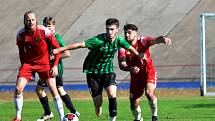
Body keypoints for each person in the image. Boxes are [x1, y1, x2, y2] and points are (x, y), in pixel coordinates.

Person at [53, 18, 144, 121]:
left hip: (108, 72)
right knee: (97, 103)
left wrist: (139, 56)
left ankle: (112, 119)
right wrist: (59, 49)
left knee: (112, 94)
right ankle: (98, 107)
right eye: (107, 29)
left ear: (117, 30)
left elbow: (130, 48)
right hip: (93, 72)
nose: (109, 32)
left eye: (112, 29)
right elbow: (79, 45)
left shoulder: (119, 40)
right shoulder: (98, 40)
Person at [12, 11, 64, 121]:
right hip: (28, 64)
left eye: (33, 19)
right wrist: (24, 68)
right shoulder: (20, 35)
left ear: (36, 20)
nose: (31, 22)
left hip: (44, 64)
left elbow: (58, 50)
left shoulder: (44, 31)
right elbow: (22, 52)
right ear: (24, 21)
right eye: (28, 20)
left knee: (54, 90)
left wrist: (54, 66)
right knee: (18, 88)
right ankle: (18, 117)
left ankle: (62, 117)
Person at [118, 24, 171, 121]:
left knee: (149, 93)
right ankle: (138, 119)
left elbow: (155, 40)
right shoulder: (122, 47)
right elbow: (122, 64)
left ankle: (154, 117)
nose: (126, 35)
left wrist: (163, 39)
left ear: (135, 34)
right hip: (135, 77)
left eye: (129, 32)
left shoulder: (142, 41)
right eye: (125, 33)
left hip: (148, 72)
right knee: (133, 103)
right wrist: (130, 68)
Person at [35, 16, 80, 121]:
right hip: (47, 69)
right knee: (59, 90)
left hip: (54, 70)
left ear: (54, 26)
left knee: (43, 90)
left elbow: (66, 53)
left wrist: (52, 57)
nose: (47, 28)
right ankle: (74, 111)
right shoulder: (44, 38)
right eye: (45, 26)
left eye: (49, 26)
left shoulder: (57, 38)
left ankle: (49, 113)